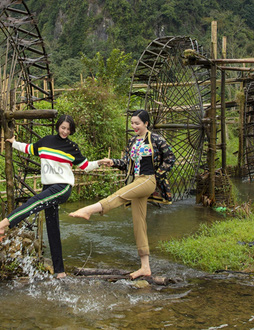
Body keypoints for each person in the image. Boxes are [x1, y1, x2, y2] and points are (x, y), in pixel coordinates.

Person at [0, 114, 100, 278]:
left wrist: (101, 162)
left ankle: (4, 224)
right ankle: (60, 271)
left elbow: (85, 166)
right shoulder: (46, 141)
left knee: (33, 202)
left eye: (68, 129)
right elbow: (30, 148)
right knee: (53, 228)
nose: (65, 131)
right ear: (58, 126)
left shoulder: (72, 147)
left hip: (62, 187)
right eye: (63, 127)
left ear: (71, 130)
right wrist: (14, 143)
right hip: (48, 186)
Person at [69, 109, 175, 279]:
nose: (134, 126)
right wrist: (112, 162)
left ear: (146, 124)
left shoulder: (156, 139)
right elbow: (127, 163)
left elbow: (170, 157)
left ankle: (90, 210)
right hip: (136, 180)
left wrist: (158, 174)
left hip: (148, 180)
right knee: (139, 224)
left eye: (137, 124)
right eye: (132, 123)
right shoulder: (132, 141)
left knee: (119, 195)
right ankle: (145, 267)